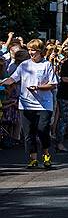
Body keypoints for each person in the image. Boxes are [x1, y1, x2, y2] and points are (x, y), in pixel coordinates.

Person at [1, 39, 58, 168]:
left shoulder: (47, 65)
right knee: (29, 133)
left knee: (42, 130)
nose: (32, 53)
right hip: (26, 104)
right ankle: (33, 159)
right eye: (30, 50)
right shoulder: (24, 65)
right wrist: (3, 82)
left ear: (41, 51)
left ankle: (46, 155)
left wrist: (38, 88)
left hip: (44, 104)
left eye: (35, 50)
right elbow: (13, 78)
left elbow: (53, 84)